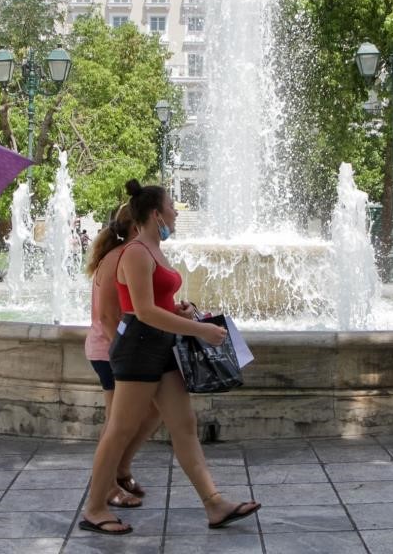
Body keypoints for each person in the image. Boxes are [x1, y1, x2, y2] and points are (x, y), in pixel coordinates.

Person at [80, 179, 260, 535]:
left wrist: (181, 310)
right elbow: (142, 311)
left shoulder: (153, 250)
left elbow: (154, 303)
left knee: (184, 425)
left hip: (161, 346)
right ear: (154, 213)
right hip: (138, 347)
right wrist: (201, 331)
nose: (177, 212)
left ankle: (214, 503)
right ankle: (94, 508)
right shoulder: (135, 252)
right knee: (119, 430)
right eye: (172, 207)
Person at [84, 204, 162, 509]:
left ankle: (121, 468)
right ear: (136, 227)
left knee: (153, 410)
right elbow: (106, 316)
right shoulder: (117, 258)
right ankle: (108, 487)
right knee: (117, 421)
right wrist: (125, 353)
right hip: (109, 351)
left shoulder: (129, 255)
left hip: (119, 350)